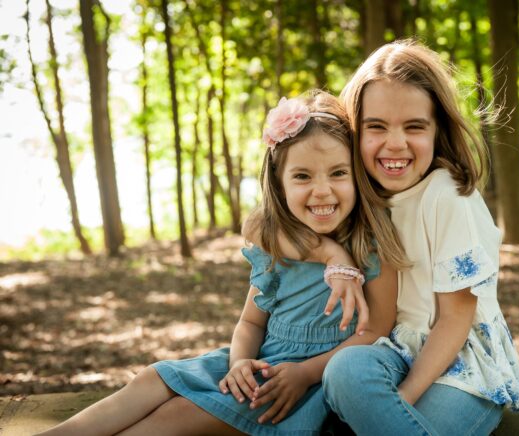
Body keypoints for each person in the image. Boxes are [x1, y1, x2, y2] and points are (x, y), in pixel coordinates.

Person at [38, 90, 405, 436]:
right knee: (152, 378)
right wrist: (238, 362)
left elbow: (374, 332)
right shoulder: (279, 248)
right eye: (302, 176)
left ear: (357, 175)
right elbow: (251, 321)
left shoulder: (371, 247)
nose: (322, 190)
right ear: (279, 185)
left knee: (176, 416)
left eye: (338, 173)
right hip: (255, 361)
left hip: (299, 382)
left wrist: (305, 373)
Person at [320, 40, 519, 435]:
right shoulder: (360, 198)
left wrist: (403, 398)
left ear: (438, 130)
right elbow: (269, 229)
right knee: (345, 369)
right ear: (354, 132)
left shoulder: (447, 195)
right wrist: (332, 252)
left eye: (414, 127)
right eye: (376, 127)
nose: (395, 143)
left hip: (461, 365)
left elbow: (455, 318)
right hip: (393, 353)